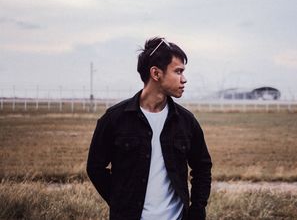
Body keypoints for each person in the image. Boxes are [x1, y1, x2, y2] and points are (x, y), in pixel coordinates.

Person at [86, 37, 212, 220]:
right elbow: (95, 167)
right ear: (156, 73)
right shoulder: (115, 119)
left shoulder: (186, 122)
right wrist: (120, 201)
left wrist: (197, 210)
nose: (184, 79)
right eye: (178, 71)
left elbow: (202, 167)